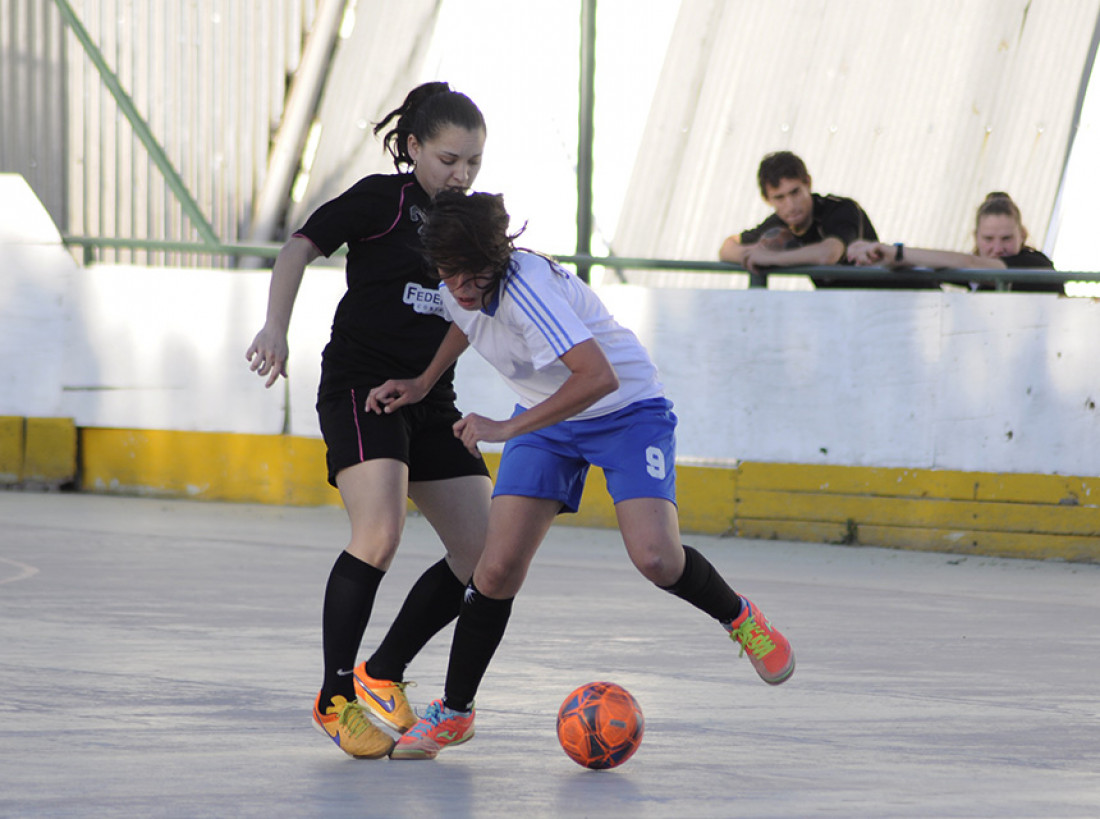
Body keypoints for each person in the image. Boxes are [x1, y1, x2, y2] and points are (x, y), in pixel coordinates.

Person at [367, 191, 796, 761]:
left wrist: (502, 426)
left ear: (496, 256)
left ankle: (741, 617)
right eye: (449, 275)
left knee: (656, 558)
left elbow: (598, 378)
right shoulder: (459, 281)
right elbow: (467, 322)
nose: (461, 287)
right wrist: (423, 382)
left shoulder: (526, 289)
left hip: (625, 411)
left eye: (472, 274)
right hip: (548, 418)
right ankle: (454, 712)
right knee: (493, 570)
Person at [244, 82, 493, 760]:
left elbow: (475, 313)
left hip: (428, 398)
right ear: (413, 148)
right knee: (379, 531)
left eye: (473, 161)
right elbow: (299, 245)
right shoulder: (382, 203)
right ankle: (334, 697)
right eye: (448, 159)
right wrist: (275, 327)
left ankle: (380, 672)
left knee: (485, 557)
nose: (461, 174)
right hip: (362, 387)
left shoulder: (471, 223)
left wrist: (427, 382)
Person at [718, 150, 887, 288]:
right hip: (839, 310)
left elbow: (828, 254)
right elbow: (727, 247)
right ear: (766, 199)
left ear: (808, 182)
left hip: (888, 303)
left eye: (795, 192)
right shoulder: (779, 222)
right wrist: (752, 253)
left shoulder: (841, 209)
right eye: (779, 197)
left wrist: (769, 258)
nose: (790, 205)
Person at [846, 192, 1060, 292]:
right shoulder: (973, 274)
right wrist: (879, 260)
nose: (997, 248)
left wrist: (895, 252)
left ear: (1022, 235)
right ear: (975, 237)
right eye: (988, 239)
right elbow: (935, 264)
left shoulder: (1035, 263)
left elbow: (970, 264)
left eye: (1006, 238)